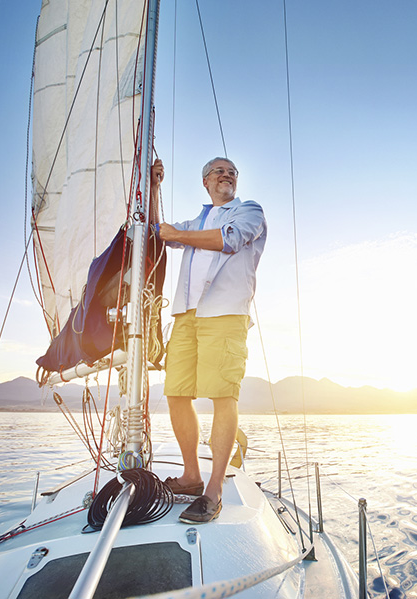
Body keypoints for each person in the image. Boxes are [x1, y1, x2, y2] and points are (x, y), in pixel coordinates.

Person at [151, 156, 266, 523]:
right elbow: (158, 231)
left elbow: (228, 241)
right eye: (219, 171)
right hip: (187, 316)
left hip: (226, 314)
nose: (227, 175)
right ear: (205, 181)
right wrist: (154, 188)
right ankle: (190, 476)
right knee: (176, 392)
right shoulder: (197, 221)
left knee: (222, 394)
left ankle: (213, 489)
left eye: (232, 171)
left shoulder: (248, 211)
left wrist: (178, 236)